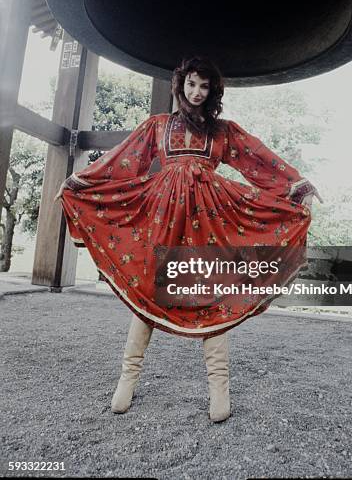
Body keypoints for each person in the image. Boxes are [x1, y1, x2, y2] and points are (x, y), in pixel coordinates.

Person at [55, 56, 321, 422]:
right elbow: (123, 161)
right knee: (150, 289)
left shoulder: (224, 131)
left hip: (209, 219)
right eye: (191, 84)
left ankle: (219, 389)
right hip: (162, 217)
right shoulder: (157, 126)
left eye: (204, 86)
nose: (196, 92)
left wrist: (296, 185)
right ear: (180, 86)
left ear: (212, 91)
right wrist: (79, 182)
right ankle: (127, 380)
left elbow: (257, 161)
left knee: (212, 294)